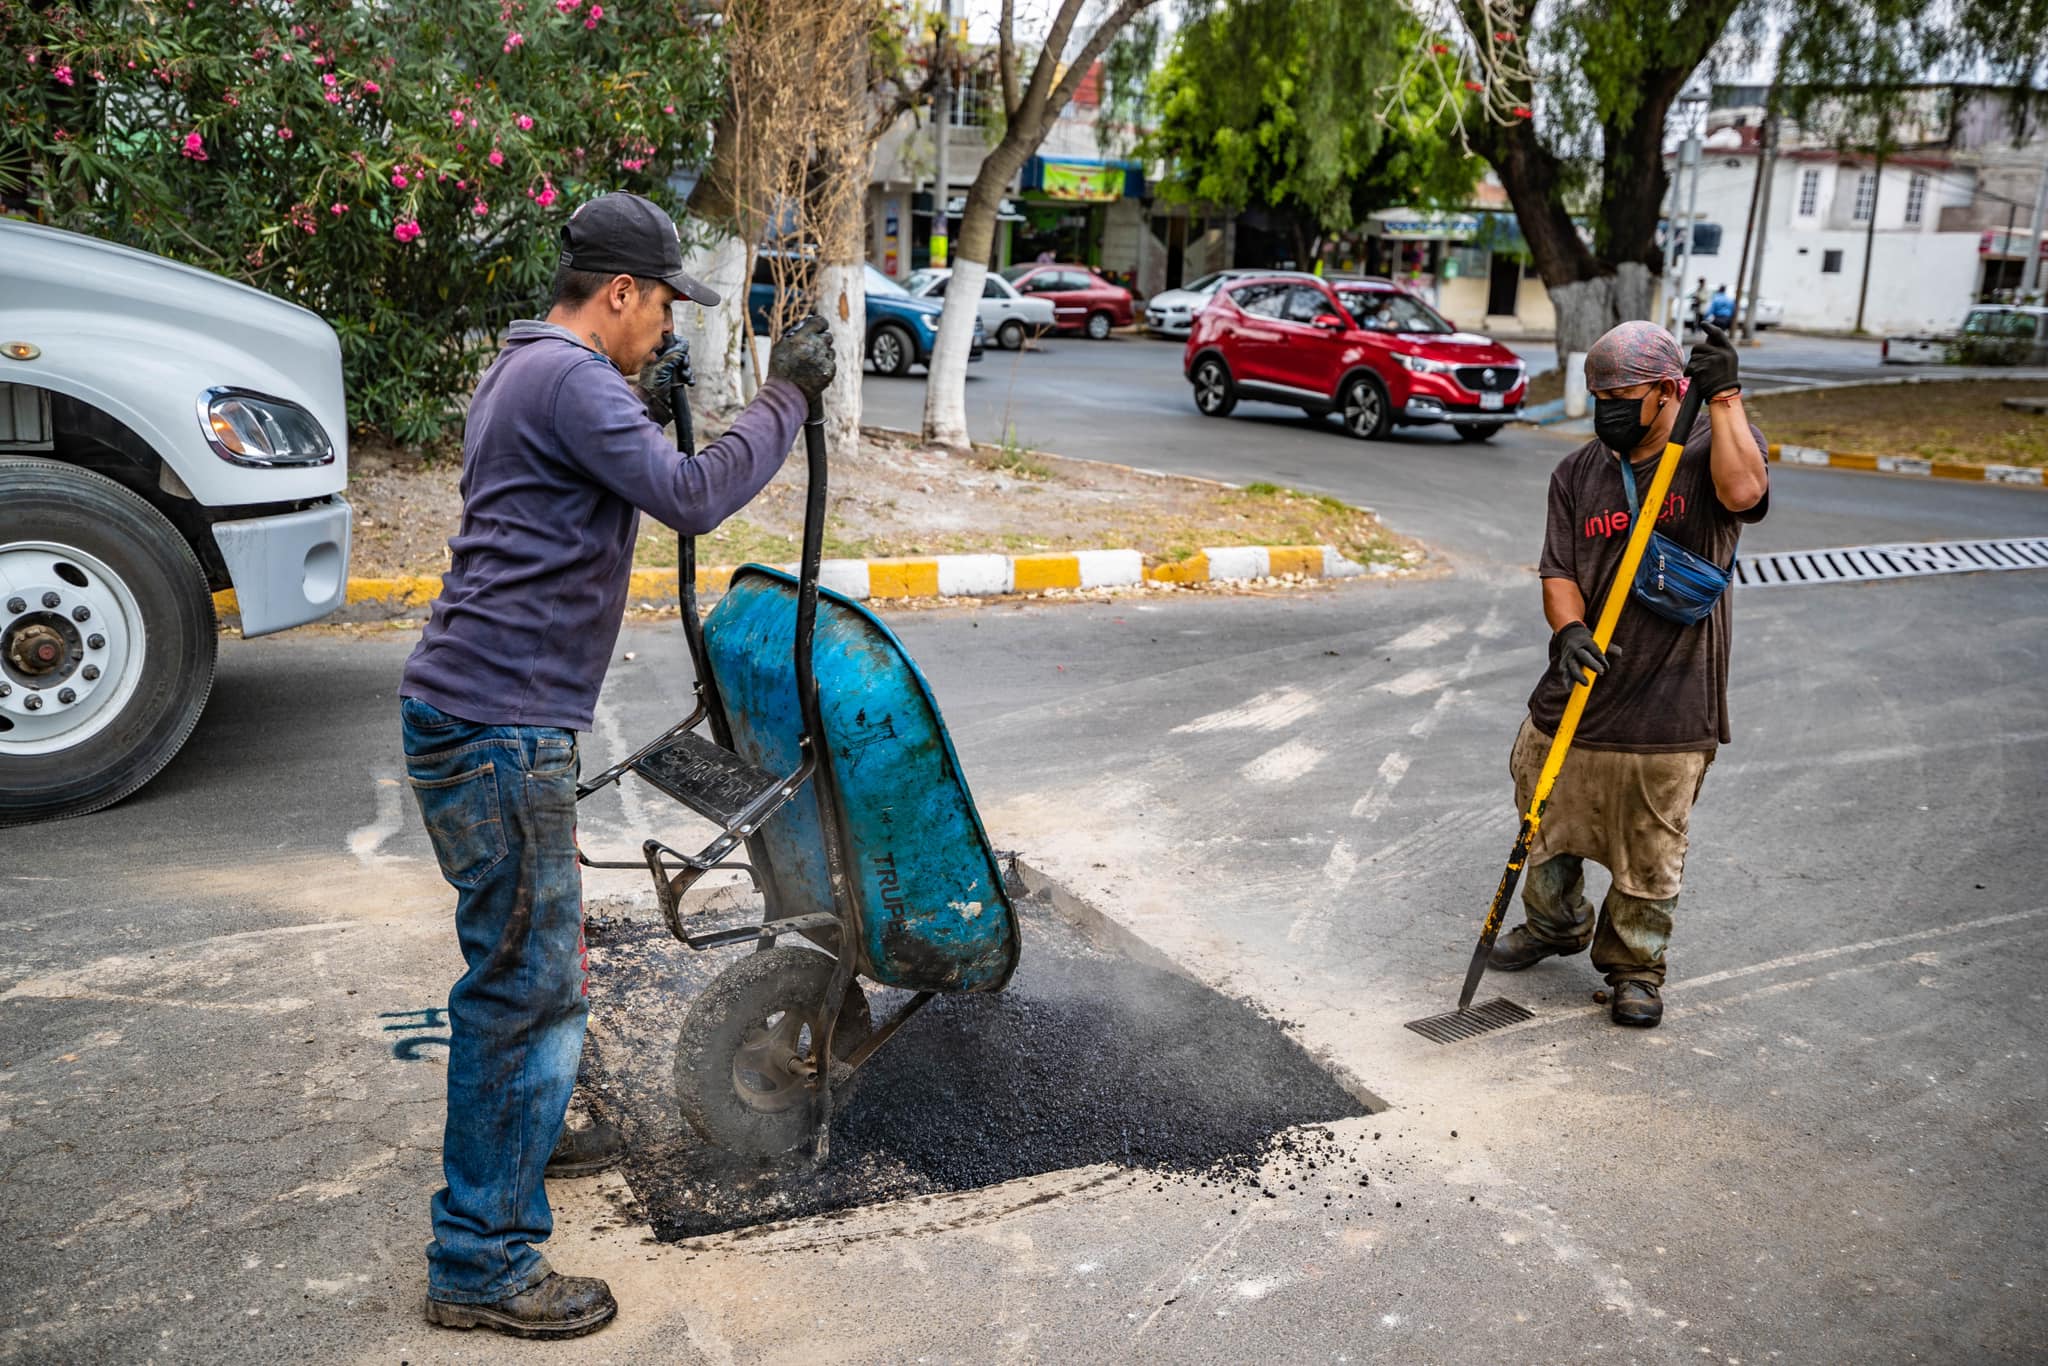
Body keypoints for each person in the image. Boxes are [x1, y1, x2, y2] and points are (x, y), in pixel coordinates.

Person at [397, 191, 836, 1338]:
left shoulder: (526, 366)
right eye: (661, 309)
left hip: (475, 711)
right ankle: (481, 1258)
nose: (663, 330)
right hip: (498, 726)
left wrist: (658, 398)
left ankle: (523, 1139)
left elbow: (603, 471)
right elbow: (693, 495)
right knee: (522, 989)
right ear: (621, 293)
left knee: (532, 959)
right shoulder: (572, 378)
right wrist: (787, 396)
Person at [1486, 321, 1768, 1028]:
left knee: (1650, 849)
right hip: (1577, 693)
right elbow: (1557, 571)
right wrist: (1570, 629)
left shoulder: (1705, 453)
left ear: (1671, 392)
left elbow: (1745, 494)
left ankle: (1635, 968)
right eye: (1597, 394)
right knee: (1541, 817)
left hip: (1672, 703)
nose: (1607, 407)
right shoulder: (1578, 473)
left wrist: (1727, 396)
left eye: (1622, 395)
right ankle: (1555, 925)